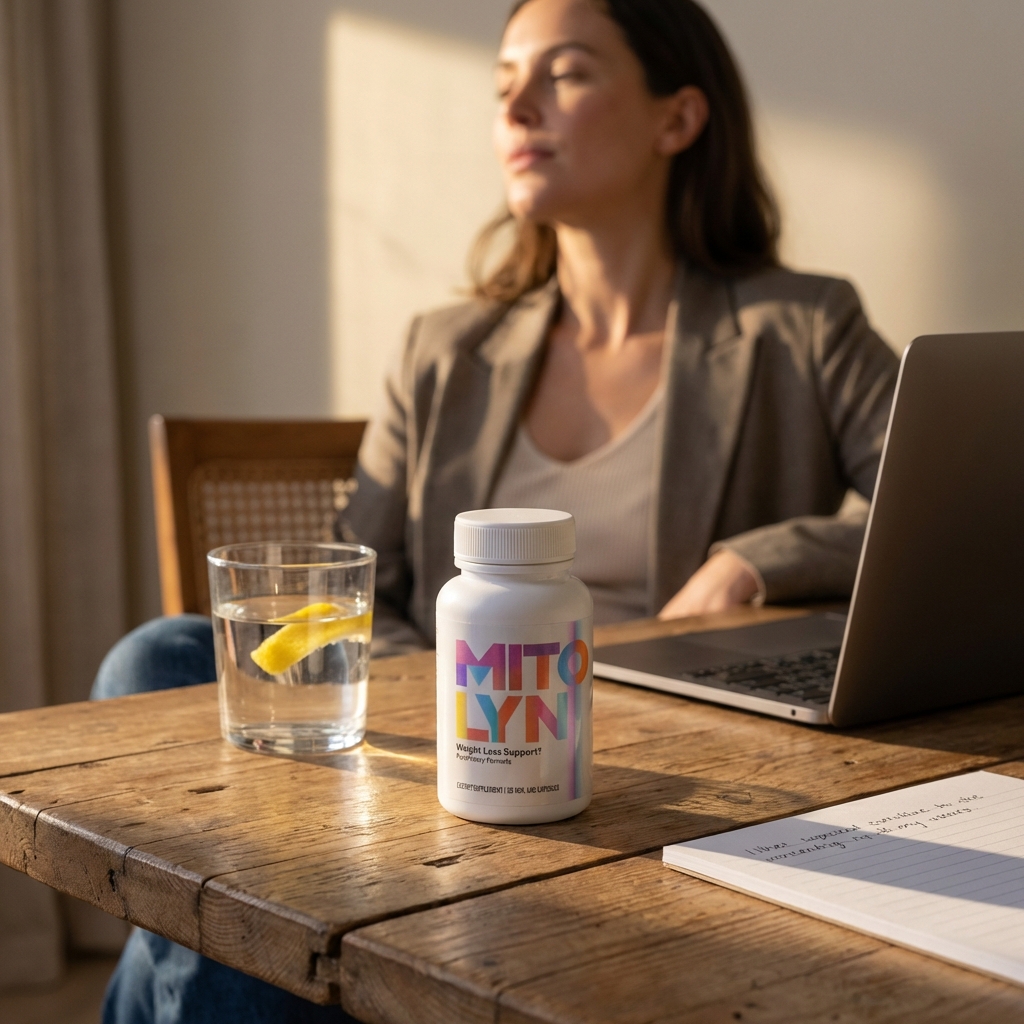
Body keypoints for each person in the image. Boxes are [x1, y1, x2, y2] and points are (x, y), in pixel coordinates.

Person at [94, 0, 898, 1020]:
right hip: (450, 727)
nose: (516, 102)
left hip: (643, 760)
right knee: (156, 659)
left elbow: (952, 518)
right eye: (502, 81)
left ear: (677, 119)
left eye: (562, 72)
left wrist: (762, 557)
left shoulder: (801, 326)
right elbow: (358, 583)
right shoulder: (443, 349)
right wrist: (430, 692)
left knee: (212, 933)